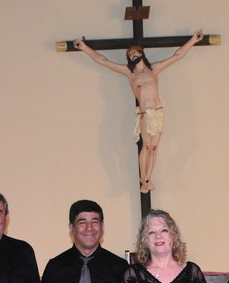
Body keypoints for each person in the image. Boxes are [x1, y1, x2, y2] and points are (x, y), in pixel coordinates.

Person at [73, 32, 204, 193]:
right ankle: (144, 177)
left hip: (157, 112)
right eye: (130, 55)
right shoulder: (130, 73)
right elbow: (103, 61)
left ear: (141, 53)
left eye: (135, 52)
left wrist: (193, 40)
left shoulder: (154, 69)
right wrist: (84, 47)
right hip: (144, 113)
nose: (133, 55)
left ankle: (148, 179)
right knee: (146, 145)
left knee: (154, 148)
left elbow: (177, 56)